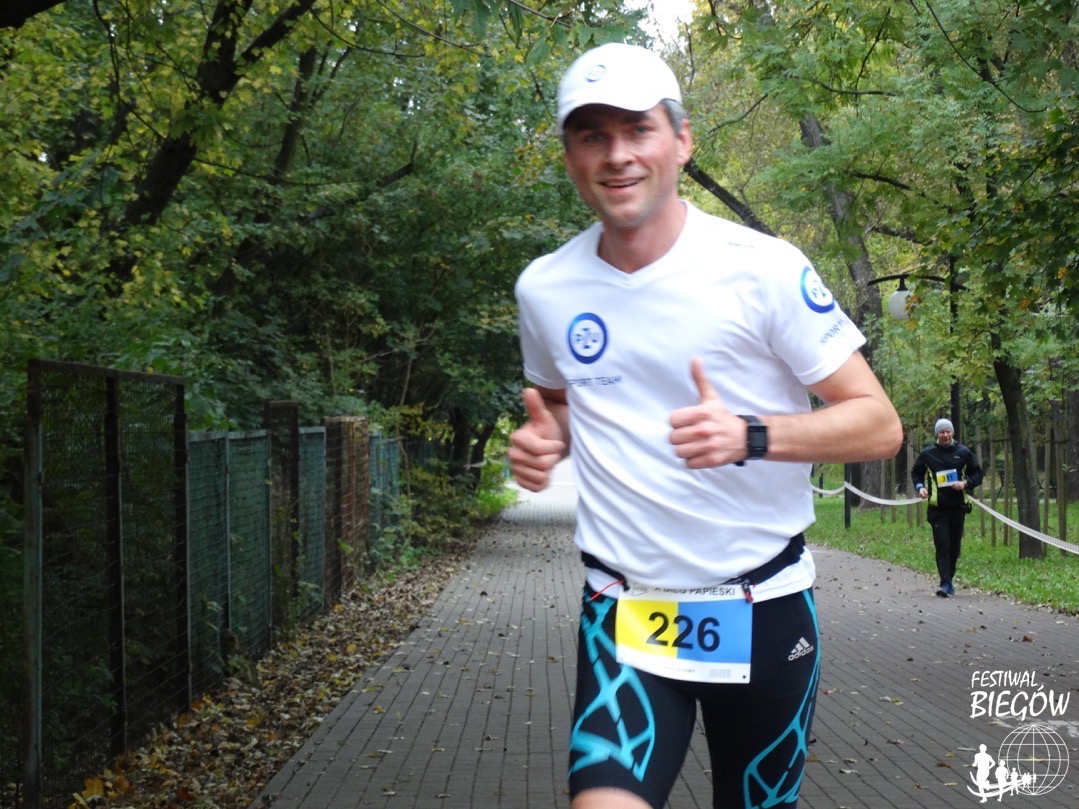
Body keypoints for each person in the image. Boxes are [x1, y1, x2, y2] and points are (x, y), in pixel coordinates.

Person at [508, 42, 902, 809]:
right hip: (623, 613)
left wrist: (751, 435)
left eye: (638, 129)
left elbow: (878, 424)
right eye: (592, 135)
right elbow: (557, 399)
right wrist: (545, 437)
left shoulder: (762, 267)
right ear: (569, 155)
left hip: (762, 609)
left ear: (681, 140)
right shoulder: (545, 287)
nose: (617, 155)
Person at [911, 418, 984, 598]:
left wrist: (965, 483)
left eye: (948, 432)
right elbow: (916, 473)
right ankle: (945, 583)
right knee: (942, 544)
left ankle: (949, 580)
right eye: (942, 432)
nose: (945, 435)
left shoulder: (963, 452)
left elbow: (977, 474)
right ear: (937, 434)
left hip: (958, 507)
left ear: (952, 433)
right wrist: (920, 488)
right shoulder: (928, 454)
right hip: (937, 508)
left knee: (954, 547)